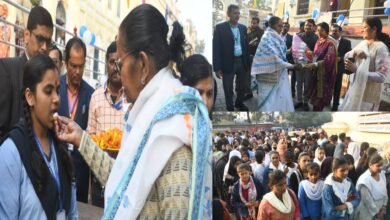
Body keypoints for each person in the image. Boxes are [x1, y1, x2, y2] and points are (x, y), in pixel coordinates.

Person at [54, 4, 212, 219]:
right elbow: (124, 184)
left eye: (119, 65)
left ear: (143, 65)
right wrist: (81, 138)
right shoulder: (150, 117)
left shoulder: (173, 137)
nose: (117, 75)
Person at [0, 54, 77, 219]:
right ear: (30, 97)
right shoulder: (11, 152)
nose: (56, 99)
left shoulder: (61, 145)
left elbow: (72, 214)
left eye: (57, 90)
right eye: (48, 91)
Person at [0, 6, 53, 138]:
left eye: (48, 41)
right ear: (26, 35)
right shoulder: (7, 70)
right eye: (40, 39)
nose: (44, 47)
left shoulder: (50, 79)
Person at [87, 41, 125, 207]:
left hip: (124, 178)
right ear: (106, 65)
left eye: (120, 63)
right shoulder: (96, 97)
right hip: (99, 176)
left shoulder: (133, 98)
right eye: (112, 62)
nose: (116, 67)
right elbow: (90, 137)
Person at [58, 37, 94, 203]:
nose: (77, 72)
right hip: (57, 168)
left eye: (81, 66)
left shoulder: (91, 94)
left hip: (80, 174)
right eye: (73, 66)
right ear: (65, 63)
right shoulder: (55, 87)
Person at [251, 16, 301, 111]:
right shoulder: (267, 37)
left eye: (282, 26)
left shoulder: (273, 36)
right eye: (279, 26)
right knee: (267, 103)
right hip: (267, 77)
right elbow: (274, 58)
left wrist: (289, 51)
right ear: (270, 25)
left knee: (276, 102)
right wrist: (292, 66)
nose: (281, 29)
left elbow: (278, 53)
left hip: (277, 75)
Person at [342, 17, 390, 111]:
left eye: (364, 27)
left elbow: (381, 77)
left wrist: (357, 70)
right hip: (354, 91)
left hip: (368, 97)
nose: (361, 30)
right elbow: (346, 56)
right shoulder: (363, 43)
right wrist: (355, 52)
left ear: (374, 29)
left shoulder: (381, 48)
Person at [213, 4, 250, 111]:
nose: (237, 15)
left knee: (242, 87)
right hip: (228, 62)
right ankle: (230, 106)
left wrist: (247, 63)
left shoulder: (243, 28)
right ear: (228, 14)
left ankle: (239, 103)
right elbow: (216, 48)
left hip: (242, 61)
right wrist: (217, 67)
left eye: (238, 13)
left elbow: (246, 46)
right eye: (235, 13)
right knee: (228, 88)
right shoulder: (220, 28)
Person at [304, 22, 337, 111]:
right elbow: (318, 55)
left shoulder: (330, 43)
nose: (319, 32)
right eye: (318, 30)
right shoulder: (318, 41)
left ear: (327, 31)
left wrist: (315, 64)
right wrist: (312, 54)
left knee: (319, 101)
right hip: (315, 74)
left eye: (322, 30)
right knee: (315, 101)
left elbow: (329, 60)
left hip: (324, 77)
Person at [293, 19, 319, 111]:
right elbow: (294, 49)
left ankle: (305, 102)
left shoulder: (316, 38)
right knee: (299, 83)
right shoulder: (298, 36)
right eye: (306, 25)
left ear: (313, 27)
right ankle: (299, 100)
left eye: (310, 26)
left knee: (307, 84)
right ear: (304, 27)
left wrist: (312, 53)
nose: (307, 27)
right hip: (299, 63)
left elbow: (317, 52)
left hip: (309, 64)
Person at [355, 154, 388, 220]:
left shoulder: (381, 174)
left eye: (382, 165)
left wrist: (384, 207)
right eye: (378, 165)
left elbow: (385, 192)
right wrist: (377, 213)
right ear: (370, 165)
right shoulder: (364, 180)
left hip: (381, 209)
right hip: (367, 212)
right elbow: (367, 201)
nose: (381, 167)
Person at [330, 24, 352, 111]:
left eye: (336, 31)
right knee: (328, 86)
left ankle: (335, 105)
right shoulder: (329, 41)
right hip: (328, 68)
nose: (334, 32)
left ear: (340, 32)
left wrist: (341, 58)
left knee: (337, 88)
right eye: (332, 31)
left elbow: (349, 55)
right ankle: (327, 101)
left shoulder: (346, 42)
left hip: (339, 68)